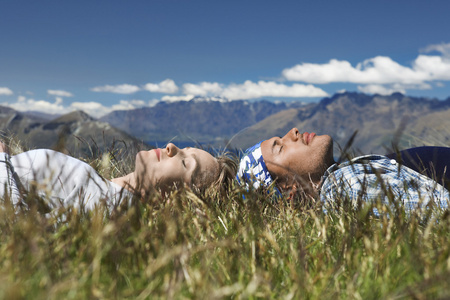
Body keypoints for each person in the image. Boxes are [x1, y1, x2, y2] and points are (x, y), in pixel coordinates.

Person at [236, 127, 449, 215]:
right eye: (280, 147)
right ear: (289, 190)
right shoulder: (346, 188)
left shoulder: (342, 180)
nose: (293, 131)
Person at [0, 141, 237, 213]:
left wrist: (2, 162)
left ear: (177, 200)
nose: (171, 147)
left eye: (185, 162)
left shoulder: (111, 206)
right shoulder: (107, 191)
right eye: (184, 148)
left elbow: (25, 234)